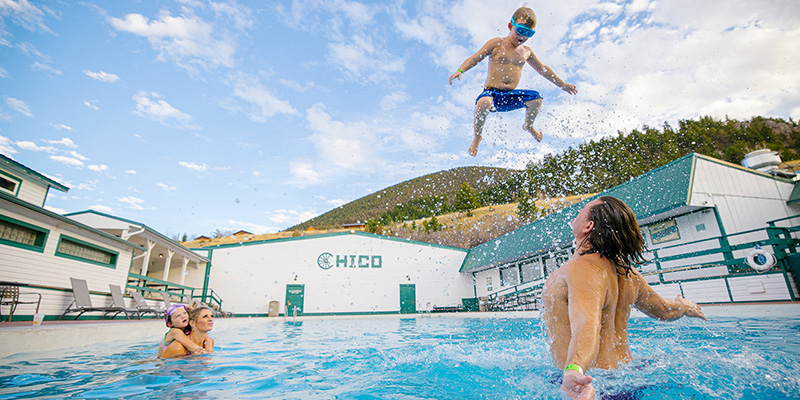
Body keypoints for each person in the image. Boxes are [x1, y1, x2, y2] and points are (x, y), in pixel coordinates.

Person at [542, 196, 707, 400]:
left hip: (587, 384)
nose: (577, 212)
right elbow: (665, 311)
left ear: (588, 225)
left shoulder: (583, 267)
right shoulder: (628, 274)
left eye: (583, 208)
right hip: (627, 377)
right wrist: (685, 306)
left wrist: (574, 370)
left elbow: (586, 323)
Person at [448, 7, 578, 156]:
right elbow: (475, 58)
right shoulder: (496, 43)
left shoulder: (526, 51)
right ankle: (477, 137)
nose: (523, 36)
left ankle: (528, 126)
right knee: (484, 102)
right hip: (492, 94)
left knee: (537, 98)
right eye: (521, 30)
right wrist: (460, 71)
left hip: (510, 96)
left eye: (529, 33)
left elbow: (543, 69)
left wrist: (562, 84)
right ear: (511, 26)